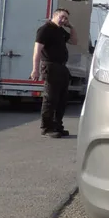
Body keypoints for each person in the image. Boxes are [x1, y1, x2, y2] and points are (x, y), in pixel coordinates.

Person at [31, 8, 72, 137]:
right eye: (62, 17)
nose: (63, 20)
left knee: (62, 99)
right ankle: (47, 127)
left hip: (61, 67)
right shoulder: (45, 29)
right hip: (50, 66)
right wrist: (35, 69)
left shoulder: (60, 31)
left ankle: (57, 125)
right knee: (50, 98)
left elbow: (74, 41)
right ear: (54, 16)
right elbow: (37, 51)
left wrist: (71, 27)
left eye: (66, 18)